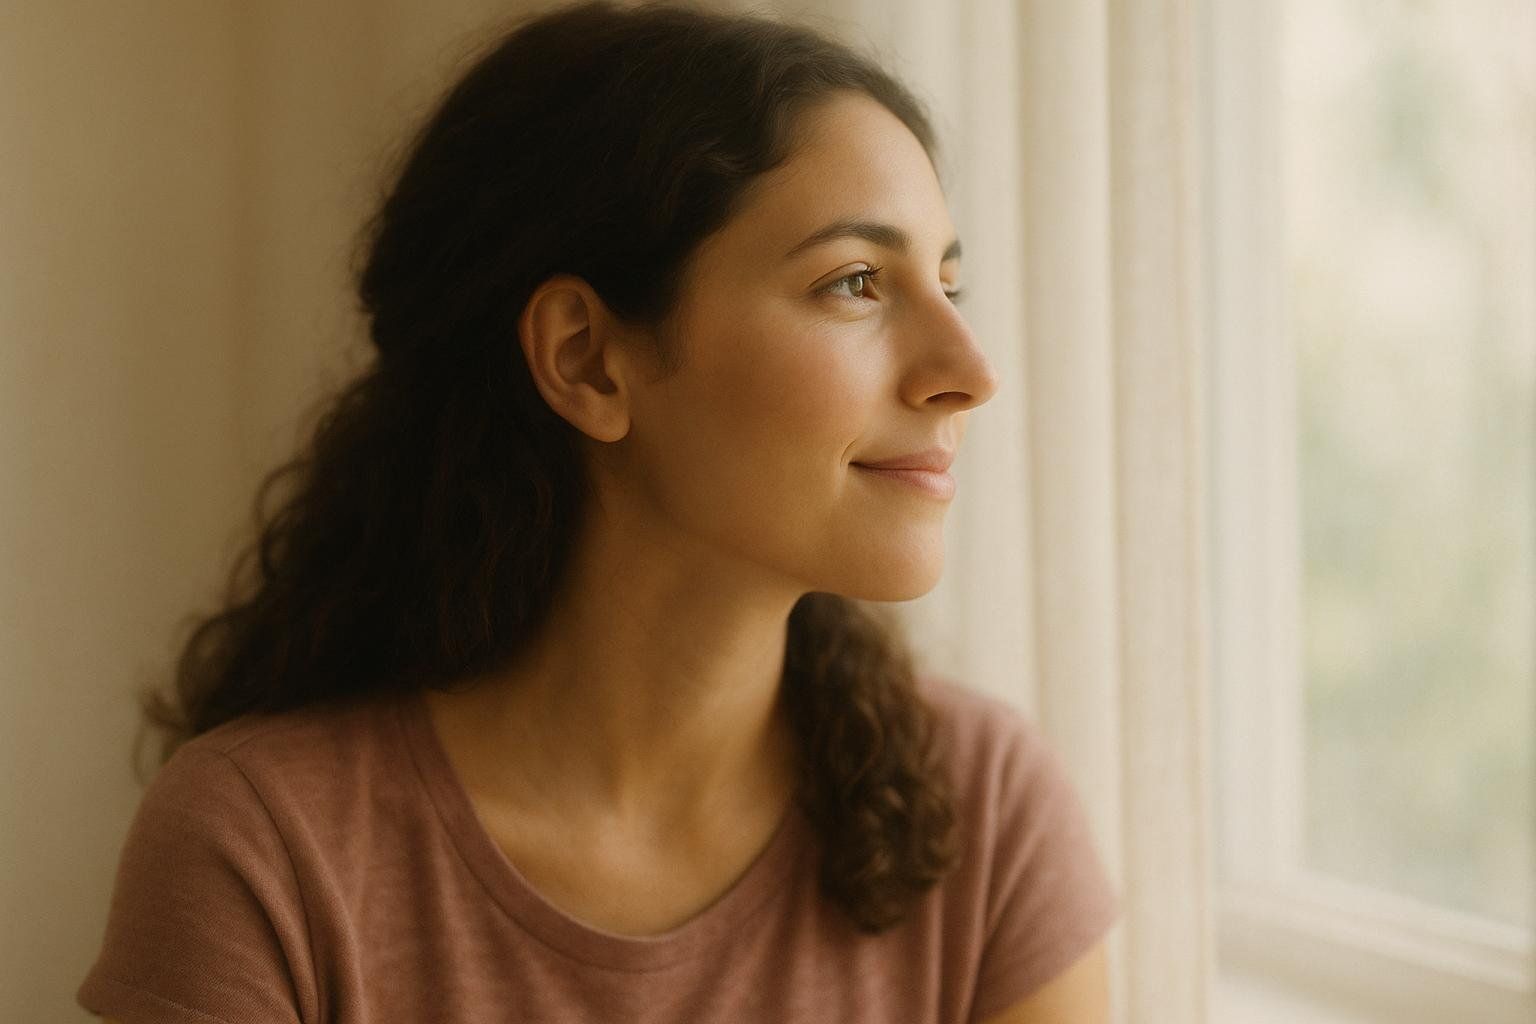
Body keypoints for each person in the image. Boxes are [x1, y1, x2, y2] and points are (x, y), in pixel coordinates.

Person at [76, 2, 1119, 1021]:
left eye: (949, 283)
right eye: (854, 282)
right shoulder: (264, 854)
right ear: (585, 356)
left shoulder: (985, 811)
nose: (969, 372)